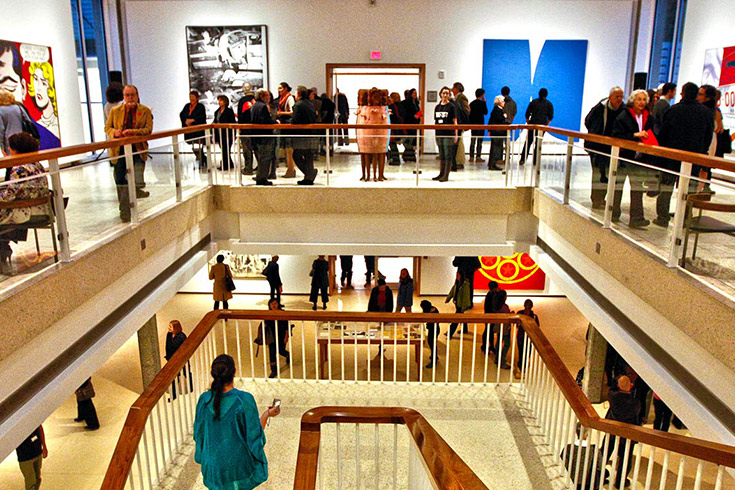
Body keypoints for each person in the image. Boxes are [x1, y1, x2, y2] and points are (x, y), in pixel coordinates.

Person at [194, 354, 280, 489]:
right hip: (238, 467)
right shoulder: (244, 400)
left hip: (213, 466)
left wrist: (204, 458)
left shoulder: (204, 400)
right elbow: (254, 437)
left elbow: (199, 434)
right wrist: (267, 414)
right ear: (234, 372)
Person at [655, 82, 713, 227]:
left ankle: (662, 217)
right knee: (689, 188)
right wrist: (701, 151)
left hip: (672, 156)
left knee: (666, 187)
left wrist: (664, 150)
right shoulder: (705, 112)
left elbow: (663, 133)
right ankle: (685, 217)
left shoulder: (673, 110)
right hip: (694, 156)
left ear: (683, 93)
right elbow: (708, 136)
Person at [0, 133, 50, 273]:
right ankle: (3, 249)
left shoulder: (18, 169)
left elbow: (8, 196)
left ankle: (2, 251)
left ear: (16, 150)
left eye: (10, 149)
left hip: (24, 212)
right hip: (41, 209)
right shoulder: (37, 164)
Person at [105, 85, 153, 222]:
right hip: (119, 151)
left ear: (137, 96)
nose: (130, 98)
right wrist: (115, 133)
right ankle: (125, 210)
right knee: (121, 180)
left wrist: (133, 132)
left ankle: (130, 206)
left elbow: (148, 129)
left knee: (135, 180)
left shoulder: (145, 111)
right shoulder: (115, 111)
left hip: (137, 150)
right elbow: (107, 128)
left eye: (132, 95)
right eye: (127, 95)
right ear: (124, 97)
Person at [611, 89, 656, 228]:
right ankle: (613, 213)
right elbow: (617, 135)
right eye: (639, 99)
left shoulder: (649, 117)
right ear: (632, 101)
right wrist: (634, 135)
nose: (641, 102)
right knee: (617, 186)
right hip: (624, 157)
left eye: (644, 99)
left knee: (637, 188)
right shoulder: (623, 116)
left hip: (639, 158)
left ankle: (637, 218)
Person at [583, 87, 625, 209]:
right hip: (597, 147)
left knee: (608, 174)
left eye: (621, 96)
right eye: (617, 96)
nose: (620, 99)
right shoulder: (599, 109)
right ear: (610, 97)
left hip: (613, 148)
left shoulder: (624, 110)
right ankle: (597, 199)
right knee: (598, 173)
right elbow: (588, 121)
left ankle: (603, 198)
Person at [604, 375, 641, 489]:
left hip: (612, 430)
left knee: (605, 452)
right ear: (631, 386)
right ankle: (620, 481)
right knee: (625, 458)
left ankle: (597, 473)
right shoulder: (635, 403)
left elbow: (611, 389)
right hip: (627, 434)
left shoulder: (613, 396)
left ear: (618, 385)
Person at [250, 89, 279, 185]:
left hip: (256, 136)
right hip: (264, 136)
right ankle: (262, 178)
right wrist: (275, 122)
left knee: (262, 158)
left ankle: (260, 176)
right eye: (267, 96)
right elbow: (265, 121)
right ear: (262, 96)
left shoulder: (254, 106)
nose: (269, 98)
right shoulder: (262, 107)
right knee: (265, 158)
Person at [291, 86, 319, 185]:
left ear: (298, 94)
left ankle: (309, 174)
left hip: (301, 134)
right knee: (308, 156)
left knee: (296, 155)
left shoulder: (298, 105)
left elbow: (294, 120)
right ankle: (308, 177)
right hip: (311, 133)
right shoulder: (310, 104)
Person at [361, 87, 389, 181]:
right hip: (367, 133)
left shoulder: (383, 108)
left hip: (381, 133)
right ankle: (367, 175)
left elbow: (385, 121)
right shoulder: (365, 108)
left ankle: (379, 175)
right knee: (367, 153)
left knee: (380, 153)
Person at [520, 88, 554, 165]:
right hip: (542, 126)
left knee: (528, 142)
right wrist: (545, 125)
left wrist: (529, 124)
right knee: (538, 144)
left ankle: (522, 159)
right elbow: (550, 117)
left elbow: (527, 114)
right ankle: (536, 161)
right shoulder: (549, 104)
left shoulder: (533, 102)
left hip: (533, 125)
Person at [433, 86, 459, 182]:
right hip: (439, 133)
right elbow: (435, 121)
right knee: (442, 154)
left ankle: (446, 175)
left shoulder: (451, 107)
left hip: (448, 133)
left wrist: (455, 134)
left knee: (448, 154)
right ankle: (441, 173)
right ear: (440, 94)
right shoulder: (437, 107)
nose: (445, 95)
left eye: (447, 93)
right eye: (443, 93)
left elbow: (455, 121)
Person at [0, 88, 33, 156]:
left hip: (9, 141)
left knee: (12, 162)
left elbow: (1, 130)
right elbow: (28, 121)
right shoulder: (18, 107)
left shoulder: (0, 110)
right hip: (22, 138)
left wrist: (2, 147)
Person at [180, 90, 208, 168]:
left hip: (198, 131)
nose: (191, 99)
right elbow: (182, 114)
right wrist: (186, 121)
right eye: (190, 97)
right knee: (192, 146)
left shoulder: (200, 107)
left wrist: (193, 120)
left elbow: (202, 117)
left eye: (193, 97)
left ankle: (202, 159)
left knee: (198, 146)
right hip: (189, 131)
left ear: (197, 98)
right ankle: (202, 159)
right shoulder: (187, 106)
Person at [165, 319, 192, 400]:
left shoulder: (181, 337)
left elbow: (183, 348)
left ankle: (191, 388)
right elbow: (167, 346)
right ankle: (173, 394)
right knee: (173, 377)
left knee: (186, 373)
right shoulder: (169, 335)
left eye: (170, 326)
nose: (168, 328)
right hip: (172, 359)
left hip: (181, 360)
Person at [264, 298, 290, 378]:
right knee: (272, 352)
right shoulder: (267, 314)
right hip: (272, 337)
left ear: (278, 304)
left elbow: (287, 326)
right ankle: (274, 370)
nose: (273, 305)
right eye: (271, 304)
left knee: (280, 350)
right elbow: (265, 326)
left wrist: (286, 336)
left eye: (275, 303)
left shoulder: (283, 313)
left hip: (281, 335)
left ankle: (287, 354)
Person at [16, 425, 47, 490]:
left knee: (37, 478)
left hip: (37, 452)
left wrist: (44, 446)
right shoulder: (16, 425)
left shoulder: (33, 419)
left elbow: (40, 428)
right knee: (30, 481)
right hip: (25, 457)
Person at [276, 82, 296, 178]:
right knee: (286, 148)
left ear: (286, 88)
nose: (279, 90)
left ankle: (291, 169)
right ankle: (290, 168)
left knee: (289, 148)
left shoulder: (289, 98)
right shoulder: (282, 98)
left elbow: (292, 112)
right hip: (284, 124)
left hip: (288, 124)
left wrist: (281, 113)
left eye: (280, 88)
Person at [515, 299, 539, 379]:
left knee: (526, 353)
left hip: (527, 337)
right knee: (522, 352)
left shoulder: (533, 316)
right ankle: (521, 368)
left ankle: (521, 368)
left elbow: (537, 327)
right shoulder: (522, 314)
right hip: (522, 336)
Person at [236, 84, 256, 175]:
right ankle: (261, 168)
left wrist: (240, 127)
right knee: (257, 149)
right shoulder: (256, 100)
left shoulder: (242, 101)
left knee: (247, 150)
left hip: (245, 129)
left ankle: (248, 168)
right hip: (256, 129)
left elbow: (240, 116)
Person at [446, 270, 471, 339]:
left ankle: (450, 333)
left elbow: (466, 297)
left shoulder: (465, 285)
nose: (457, 277)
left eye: (458, 275)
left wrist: (464, 307)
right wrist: (448, 298)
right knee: (461, 317)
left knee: (456, 319)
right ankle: (465, 329)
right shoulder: (457, 283)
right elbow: (453, 291)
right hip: (457, 303)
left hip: (461, 305)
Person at [213, 95, 236, 171]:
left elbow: (233, 122)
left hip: (227, 133)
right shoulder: (217, 111)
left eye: (221, 100)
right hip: (219, 133)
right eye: (219, 100)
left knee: (226, 149)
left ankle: (226, 165)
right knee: (223, 149)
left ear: (225, 102)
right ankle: (229, 163)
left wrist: (233, 134)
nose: (219, 102)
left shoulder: (229, 111)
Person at [490, 289, 512, 368]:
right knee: (507, 344)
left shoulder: (497, 306)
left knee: (499, 342)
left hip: (499, 327)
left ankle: (497, 358)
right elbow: (507, 316)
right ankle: (502, 361)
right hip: (505, 328)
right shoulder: (505, 307)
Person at [452, 82, 470, 169]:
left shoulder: (462, 98)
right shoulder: (456, 98)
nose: (452, 89)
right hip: (458, 123)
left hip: (460, 123)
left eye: (453, 88)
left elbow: (466, 111)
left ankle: (459, 161)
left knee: (459, 143)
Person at [488, 95, 508, 171]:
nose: (504, 103)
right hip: (497, 132)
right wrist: (504, 117)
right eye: (503, 101)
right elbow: (499, 120)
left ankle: (492, 163)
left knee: (496, 148)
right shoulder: (498, 111)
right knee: (495, 148)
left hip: (496, 132)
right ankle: (492, 164)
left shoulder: (496, 110)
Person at [401, 88, 421, 162]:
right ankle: (408, 156)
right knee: (409, 140)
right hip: (409, 123)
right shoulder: (407, 103)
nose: (415, 95)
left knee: (413, 140)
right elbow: (406, 113)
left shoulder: (416, 103)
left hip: (415, 123)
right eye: (413, 93)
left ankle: (409, 155)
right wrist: (413, 116)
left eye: (416, 93)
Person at [469, 88, 488, 162]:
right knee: (479, 141)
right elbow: (485, 112)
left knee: (472, 141)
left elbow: (469, 114)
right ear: (482, 95)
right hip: (480, 124)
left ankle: (471, 156)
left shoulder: (472, 103)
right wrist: (485, 102)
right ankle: (478, 156)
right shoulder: (482, 103)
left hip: (473, 124)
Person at [481, 281, 501, 353]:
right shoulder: (492, 295)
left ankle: (488, 346)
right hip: (490, 315)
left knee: (489, 331)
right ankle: (486, 346)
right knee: (488, 331)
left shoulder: (490, 294)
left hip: (488, 315)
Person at [420, 300, 441, 369]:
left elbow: (425, 319)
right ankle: (434, 356)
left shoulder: (430, 313)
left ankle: (434, 360)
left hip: (433, 330)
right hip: (435, 329)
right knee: (432, 343)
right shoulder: (434, 309)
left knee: (432, 344)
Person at [388, 92, 404, 165]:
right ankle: (395, 158)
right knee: (392, 144)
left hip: (393, 128)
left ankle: (396, 159)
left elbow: (393, 117)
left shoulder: (392, 107)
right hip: (397, 127)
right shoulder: (399, 106)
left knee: (392, 144)